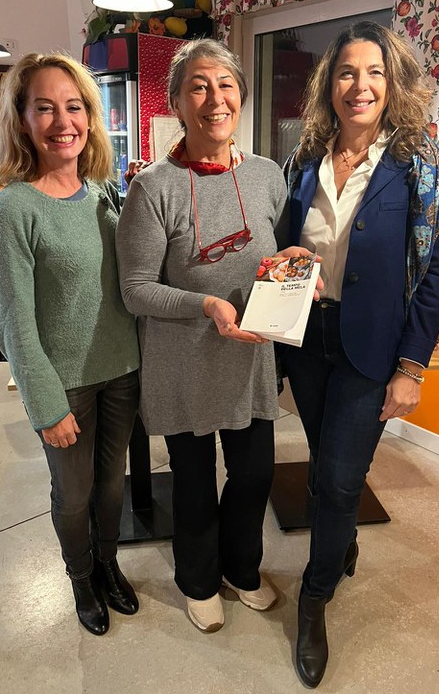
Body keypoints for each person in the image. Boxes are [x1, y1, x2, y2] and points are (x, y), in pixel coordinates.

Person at [116, 38, 315, 633]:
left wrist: (292, 266)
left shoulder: (266, 176)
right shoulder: (153, 187)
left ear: (241, 96)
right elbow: (135, 289)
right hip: (182, 365)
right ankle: (198, 580)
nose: (215, 99)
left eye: (226, 85)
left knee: (253, 477)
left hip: (250, 361)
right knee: (196, 483)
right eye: (198, 87)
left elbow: (273, 256)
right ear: (177, 102)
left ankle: (241, 569)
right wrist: (206, 305)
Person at [279, 21, 439, 687]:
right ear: (329, 84)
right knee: (323, 462)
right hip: (308, 340)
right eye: (347, 72)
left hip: (371, 348)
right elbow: (286, 245)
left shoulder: (420, 166)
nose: (360, 85)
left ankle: (314, 598)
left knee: (338, 479)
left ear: (392, 82)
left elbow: (436, 273)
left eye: (374, 72)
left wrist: (411, 367)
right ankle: (343, 540)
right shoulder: (304, 160)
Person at [0, 52, 140, 636]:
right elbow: (14, 323)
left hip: (122, 368)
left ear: (90, 117)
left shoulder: (103, 191)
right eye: (44, 108)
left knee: (112, 484)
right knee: (73, 494)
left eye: (74, 107)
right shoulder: (14, 209)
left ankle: (109, 562)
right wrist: (45, 405)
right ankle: (81, 577)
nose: (62, 122)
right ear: (22, 120)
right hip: (64, 383)